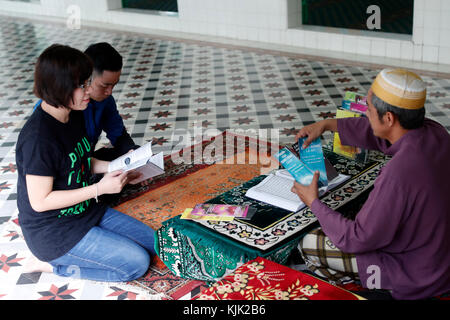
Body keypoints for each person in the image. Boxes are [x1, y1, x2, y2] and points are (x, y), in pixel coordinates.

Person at [291, 68, 450, 300]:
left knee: (310, 243)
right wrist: (326, 124)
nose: (364, 113)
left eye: (369, 109)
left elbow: (358, 239)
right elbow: (380, 133)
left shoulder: (399, 173)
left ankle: (371, 290)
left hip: (414, 273)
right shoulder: (436, 133)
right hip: (440, 257)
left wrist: (313, 202)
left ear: (389, 118)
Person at [16, 44, 155, 282]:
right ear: (60, 87)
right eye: (82, 85)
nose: (88, 90)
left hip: (85, 212)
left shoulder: (74, 114)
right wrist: (100, 188)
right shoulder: (39, 138)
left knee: (156, 243)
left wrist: (114, 168)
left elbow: (79, 159)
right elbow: (40, 202)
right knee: (137, 263)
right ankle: (49, 265)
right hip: (54, 232)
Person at [83, 42, 139, 161]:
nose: (109, 92)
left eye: (114, 85)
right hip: (66, 170)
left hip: (87, 160)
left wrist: (131, 152)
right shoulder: (65, 104)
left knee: (136, 153)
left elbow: (118, 134)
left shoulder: (105, 99)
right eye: (104, 86)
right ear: (86, 79)